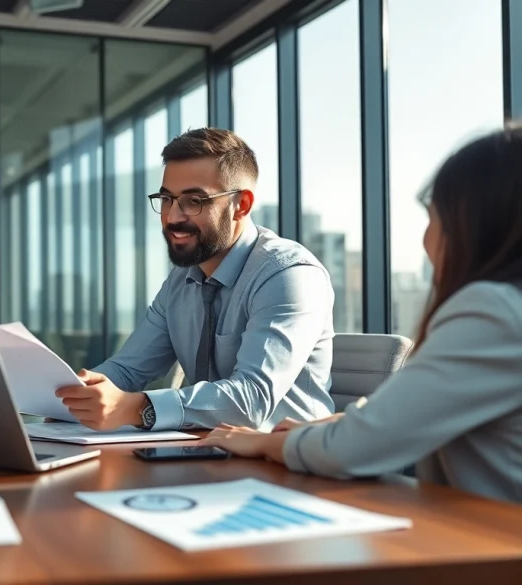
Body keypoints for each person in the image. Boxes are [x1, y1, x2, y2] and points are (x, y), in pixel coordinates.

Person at [203, 126, 522, 504]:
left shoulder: (493, 313)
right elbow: (405, 417)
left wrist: (263, 444)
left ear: (474, 227)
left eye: (435, 218)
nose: (425, 240)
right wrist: (330, 429)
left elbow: (357, 447)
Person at [56, 128, 335, 432]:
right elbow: (127, 369)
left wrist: (137, 408)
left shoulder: (289, 275)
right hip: (203, 455)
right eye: (166, 198)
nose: (173, 217)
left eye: (194, 200)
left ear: (240, 205)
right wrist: (71, 396)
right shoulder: (181, 280)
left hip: (287, 468)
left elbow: (252, 399)